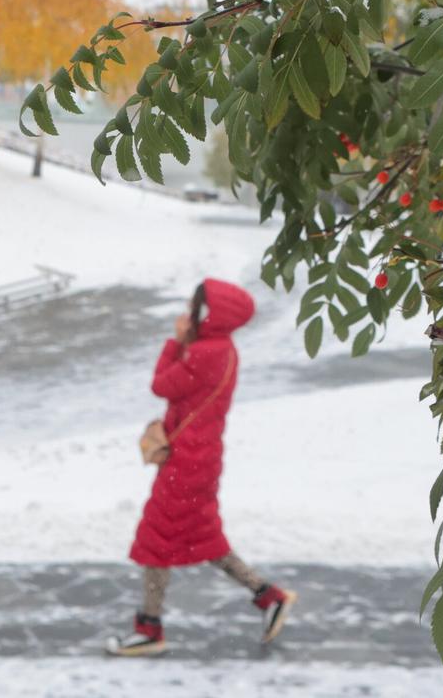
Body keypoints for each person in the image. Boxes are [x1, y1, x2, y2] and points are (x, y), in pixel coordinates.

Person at [106, 278, 296, 656]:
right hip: (197, 457)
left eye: (197, 308)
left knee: (156, 540)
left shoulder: (206, 352)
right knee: (203, 538)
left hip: (189, 460)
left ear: (211, 314)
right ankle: (268, 596)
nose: (191, 314)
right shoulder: (220, 348)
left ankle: (150, 629)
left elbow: (161, 386)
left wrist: (176, 342)